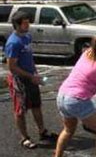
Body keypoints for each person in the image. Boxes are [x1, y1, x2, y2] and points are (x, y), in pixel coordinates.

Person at [6, 11, 58, 149]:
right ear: (17, 25)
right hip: (19, 80)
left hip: (31, 77)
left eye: (28, 22)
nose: (28, 24)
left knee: (36, 105)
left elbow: (29, 58)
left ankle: (42, 131)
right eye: (25, 23)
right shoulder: (13, 43)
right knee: (20, 110)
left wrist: (35, 73)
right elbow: (12, 67)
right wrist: (30, 76)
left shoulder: (27, 37)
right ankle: (25, 138)